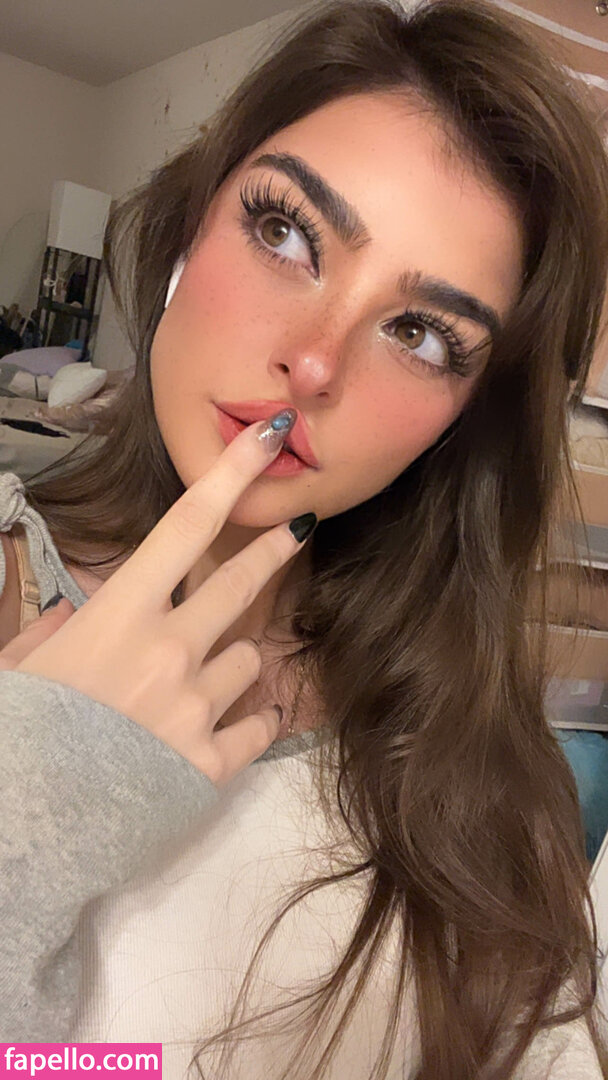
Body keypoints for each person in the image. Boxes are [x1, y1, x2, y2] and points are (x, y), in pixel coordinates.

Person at [0, 0, 607, 1076]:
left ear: (459, 421)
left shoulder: (476, 762)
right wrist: (43, 787)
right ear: (190, 228)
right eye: (286, 233)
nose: (316, 363)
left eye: (419, 333)